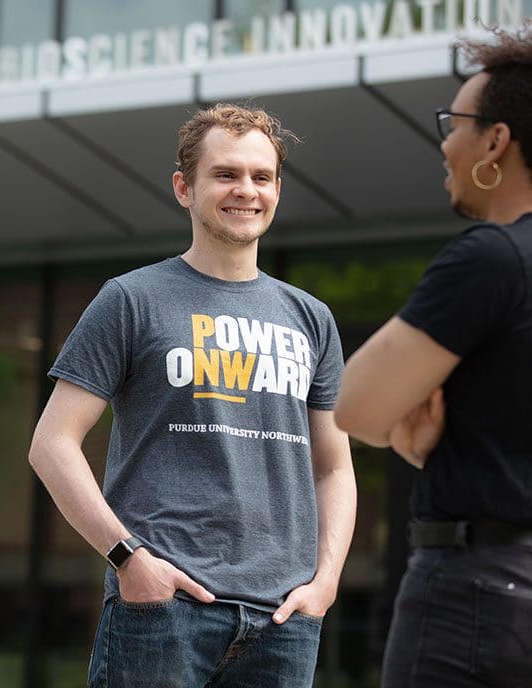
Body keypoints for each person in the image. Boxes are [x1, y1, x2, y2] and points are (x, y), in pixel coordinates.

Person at [29, 103, 356, 688]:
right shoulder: (131, 299)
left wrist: (325, 581)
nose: (245, 191)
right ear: (185, 187)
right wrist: (129, 559)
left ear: (278, 189)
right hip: (163, 611)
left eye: (261, 177)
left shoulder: (312, 318)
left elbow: (333, 467)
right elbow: (52, 444)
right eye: (225, 174)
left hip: (284, 620)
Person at [334, 22, 532, 688]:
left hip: (480, 597)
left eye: (456, 122)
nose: (445, 142)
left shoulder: (493, 259)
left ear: (496, 141)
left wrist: (414, 440)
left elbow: (355, 406)